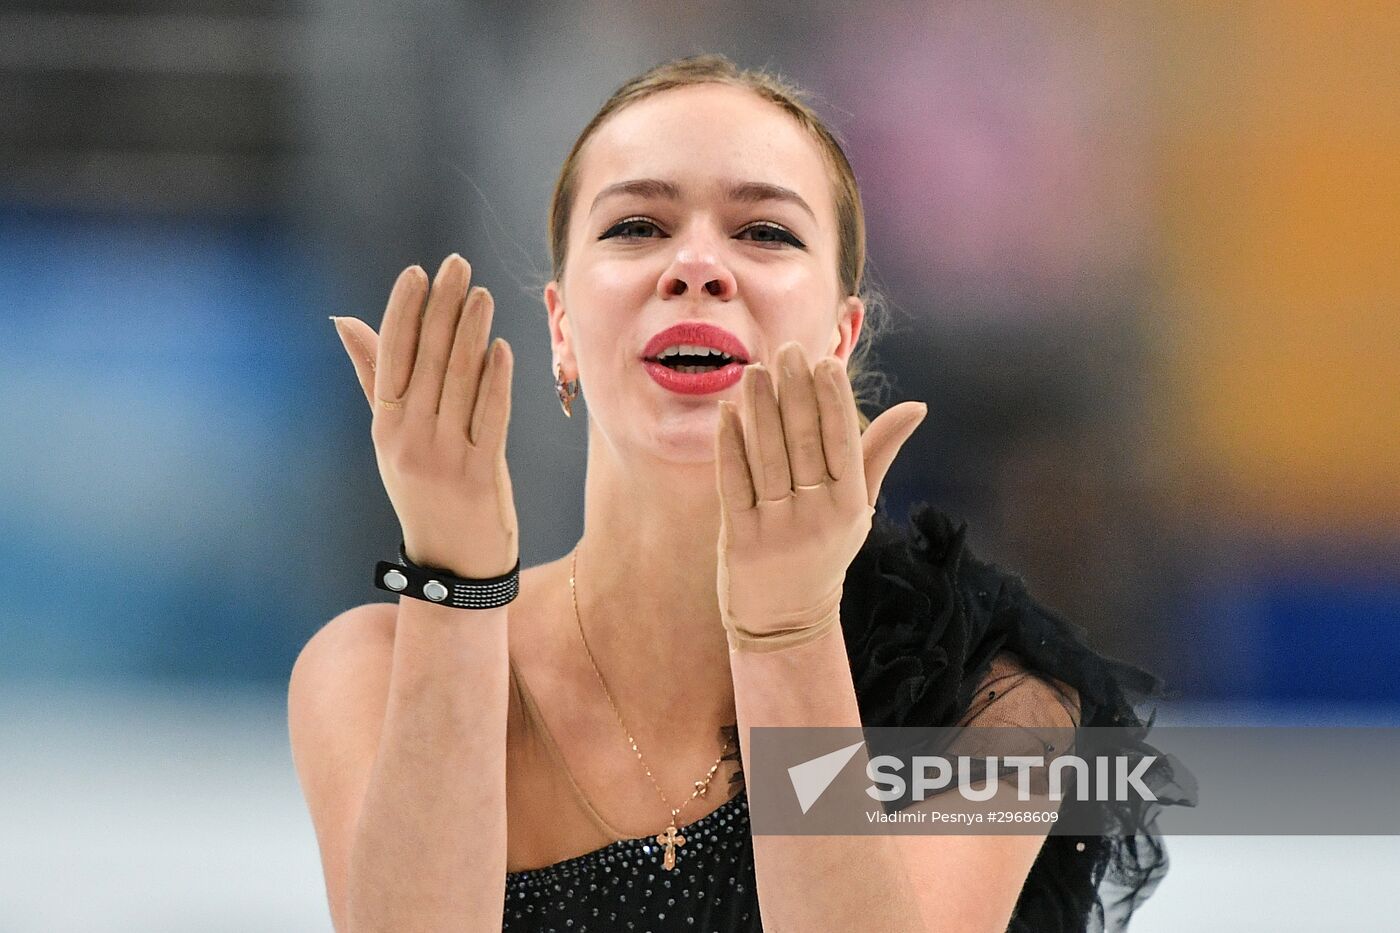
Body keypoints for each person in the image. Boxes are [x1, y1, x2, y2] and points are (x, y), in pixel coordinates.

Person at [291, 54, 1174, 932]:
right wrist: (459, 584)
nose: (699, 266)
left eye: (766, 233)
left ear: (840, 336)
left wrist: (787, 629)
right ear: (561, 328)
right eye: (637, 225)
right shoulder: (370, 672)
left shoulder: (991, 703)